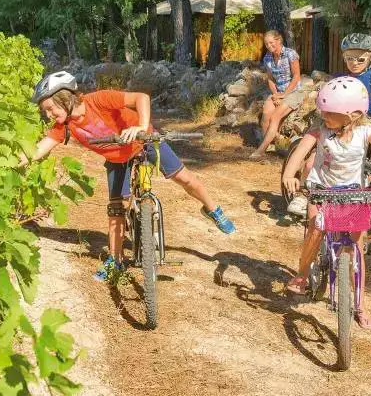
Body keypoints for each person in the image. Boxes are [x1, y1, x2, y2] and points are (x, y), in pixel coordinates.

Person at [22, 71, 236, 282]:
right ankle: (115, 260)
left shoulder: (98, 100)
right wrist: (13, 162)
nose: (48, 115)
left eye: (50, 108)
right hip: (117, 158)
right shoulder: (64, 126)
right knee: (116, 208)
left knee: (186, 179)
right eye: (45, 111)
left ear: (65, 98)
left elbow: (140, 98)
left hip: (144, 140)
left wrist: (141, 126)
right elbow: (40, 148)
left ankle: (212, 209)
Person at [282, 77, 371, 328]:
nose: (324, 115)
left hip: (352, 192)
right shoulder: (319, 131)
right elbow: (299, 153)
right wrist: (289, 175)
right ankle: (302, 274)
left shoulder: (366, 131)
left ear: (353, 114)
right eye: (323, 110)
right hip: (321, 190)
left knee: (357, 248)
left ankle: (360, 306)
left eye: (330, 112)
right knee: (316, 230)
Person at [286, 32, 371, 216]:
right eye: (349, 58)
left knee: (366, 157)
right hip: (335, 119)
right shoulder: (339, 77)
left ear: (370, 56)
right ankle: (303, 196)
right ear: (343, 57)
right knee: (314, 159)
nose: (355, 63)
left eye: (360, 59)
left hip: (363, 121)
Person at [251, 30, 304, 159]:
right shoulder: (267, 58)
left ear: (279, 40)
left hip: (293, 92)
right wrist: (275, 94)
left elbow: (296, 76)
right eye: (266, 44)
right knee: (265, 116)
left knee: (275, 117)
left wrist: (284, 95)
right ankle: (270, 146)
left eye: (271, 42)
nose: (269, 46)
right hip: (278, 92)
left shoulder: (290, 54)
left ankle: (260, 150)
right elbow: (270, 79)